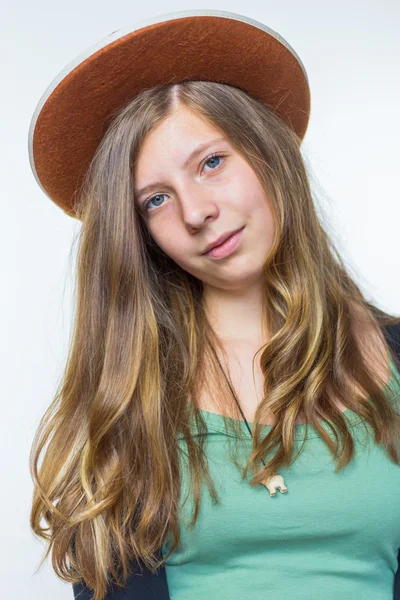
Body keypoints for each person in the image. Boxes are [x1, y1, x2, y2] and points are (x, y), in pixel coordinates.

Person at [27, 10, 400, 600]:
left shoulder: (394, 355)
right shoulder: (129, 393)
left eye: (211, 162)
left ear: (268, 154)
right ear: (139, 232)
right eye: (155, 199)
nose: (196, 210)